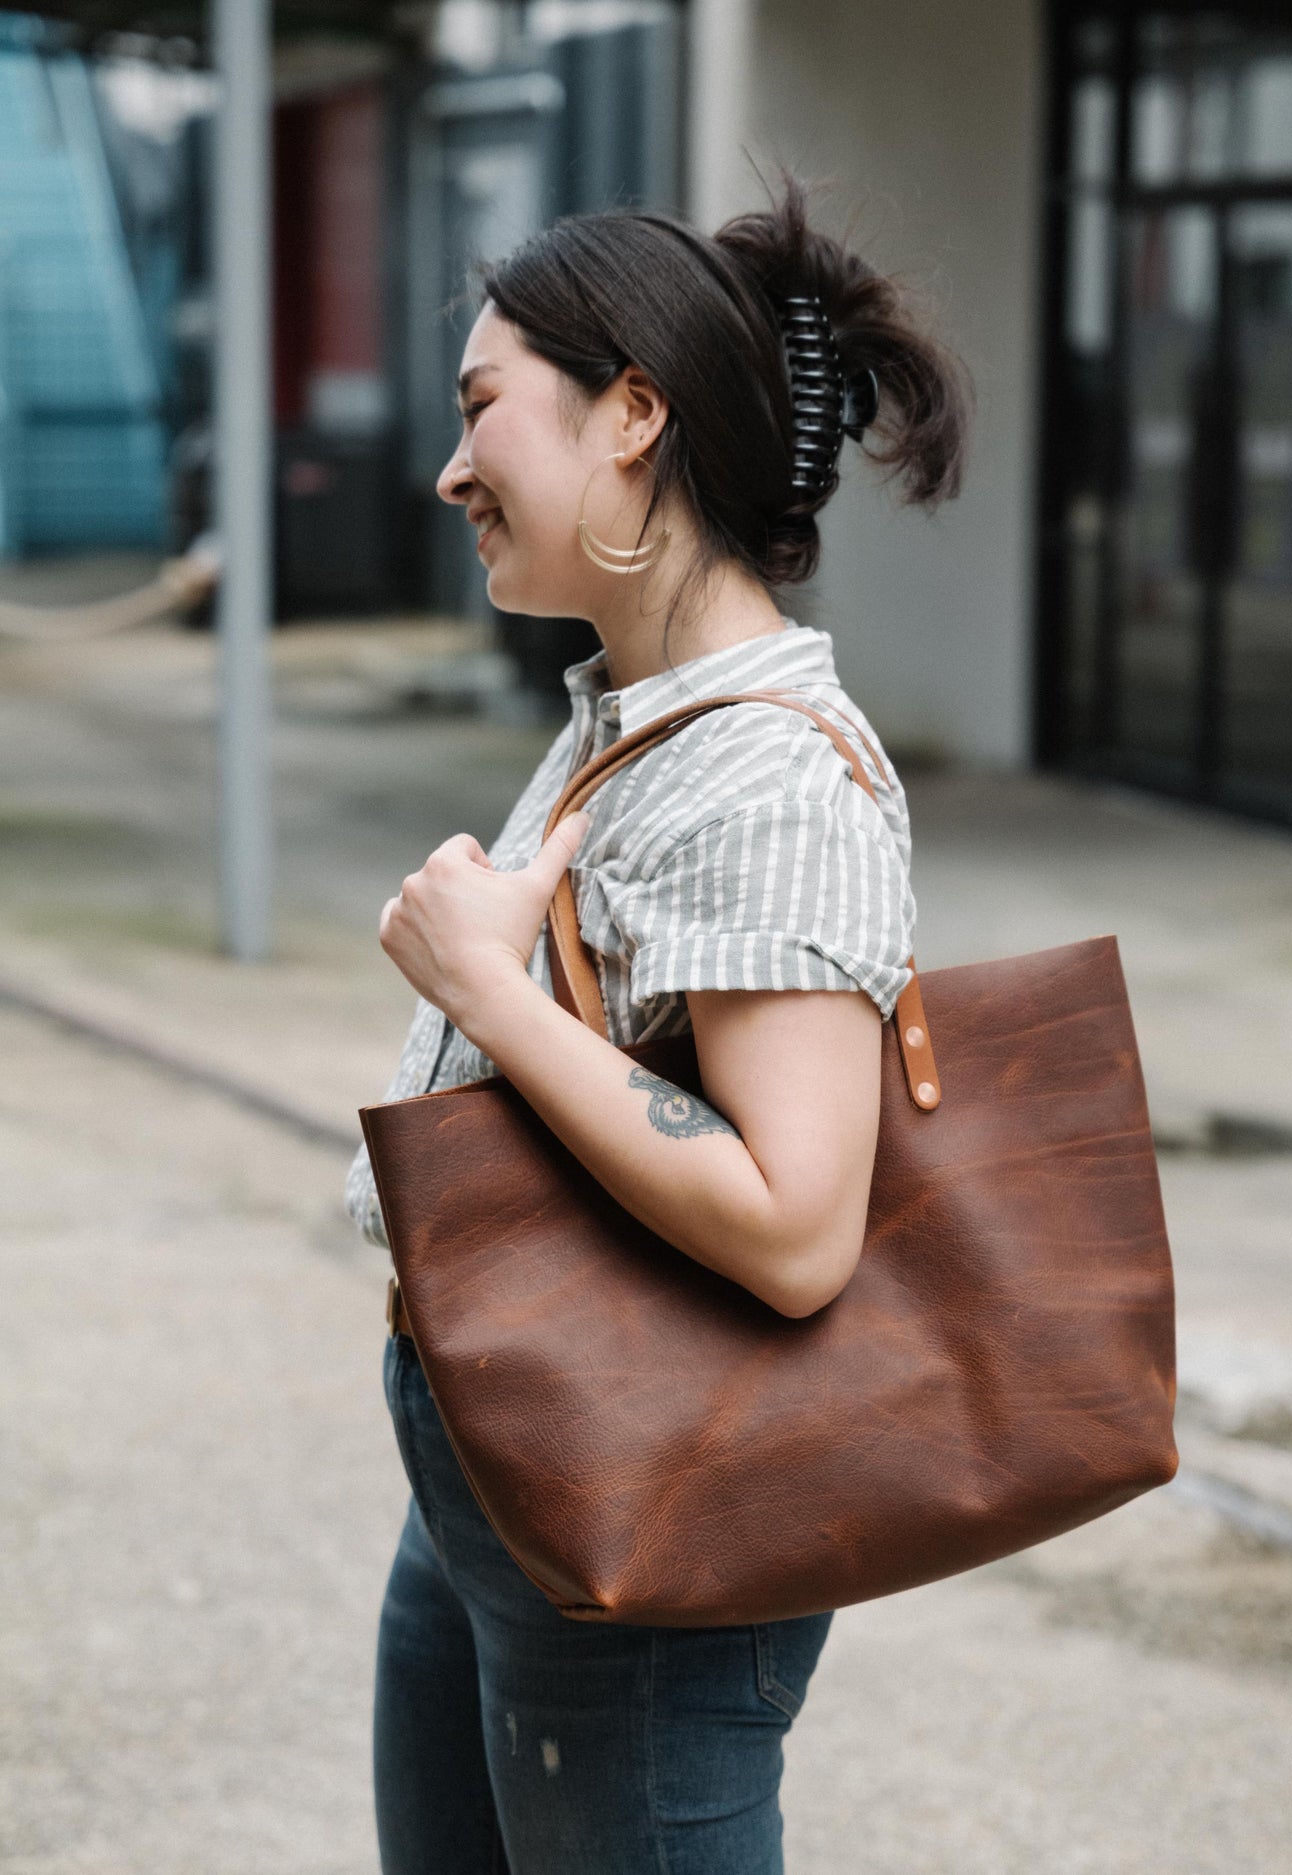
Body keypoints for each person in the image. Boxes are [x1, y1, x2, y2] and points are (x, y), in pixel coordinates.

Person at [343, 171, 971, 1875]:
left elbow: (792, 1225)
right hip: (510, 1478)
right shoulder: (647, 716)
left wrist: (485, 989)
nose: (453, 465)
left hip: (647, 1524)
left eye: (483, 408)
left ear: (633, 414)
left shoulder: (766, 772)